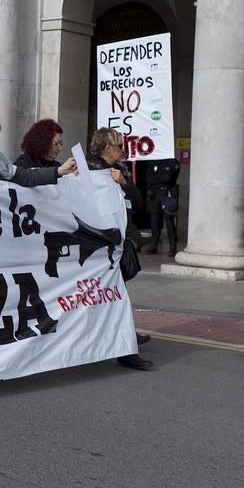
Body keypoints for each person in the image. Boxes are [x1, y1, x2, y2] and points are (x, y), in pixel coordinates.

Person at [86, 127, 154, 371]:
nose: (123, 151)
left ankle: (124, 345)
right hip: (96, 247)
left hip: (115, 245)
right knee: (111, 298)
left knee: (116, 297)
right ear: (107, 148)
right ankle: (123, 348)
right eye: (119, 146)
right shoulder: (87, 170)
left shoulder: (120, 170)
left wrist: (124, 182)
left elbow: (137, 202)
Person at [141, 157, 181, 257]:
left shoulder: (173, 161)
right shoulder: (154, 160)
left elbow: (168, 177)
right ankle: (153, 246)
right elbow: (148, 178)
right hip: (154, 194)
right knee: (154, 220)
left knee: (169, 221)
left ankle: (172, 248)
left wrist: (158, 177)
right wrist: (161, 177)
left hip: (167, 193)